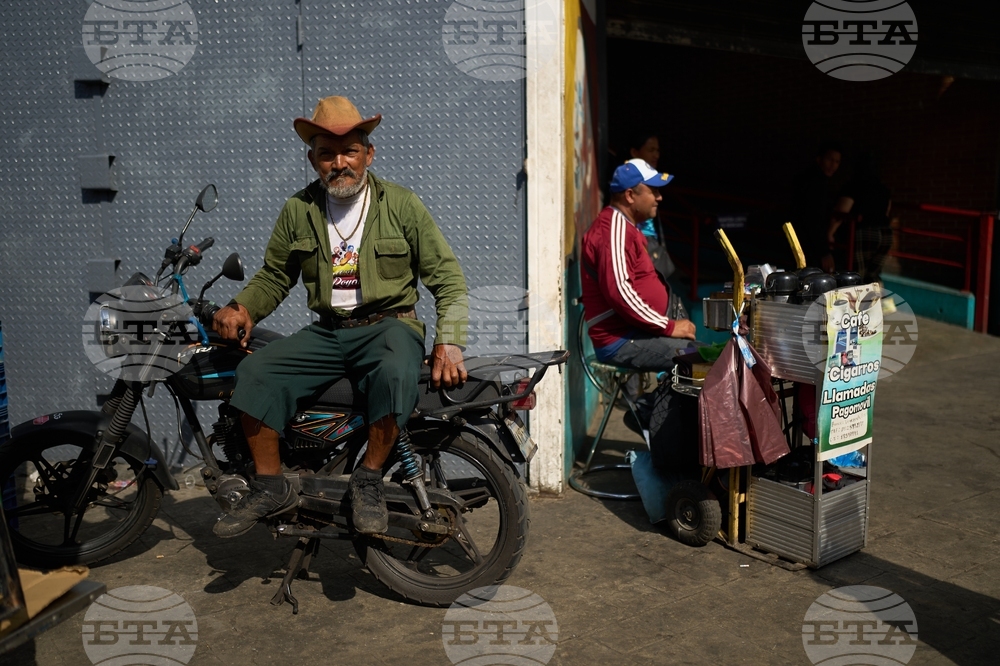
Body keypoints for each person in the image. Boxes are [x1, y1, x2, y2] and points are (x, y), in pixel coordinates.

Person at [211, 96, 469, 538]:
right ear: (313, 160)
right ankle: (270, 486)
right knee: (254, 371)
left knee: (392, 373)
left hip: (390, 326)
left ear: (369, 154)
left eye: (349, 150)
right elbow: (275, 276)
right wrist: (243, 306)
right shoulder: (299, 210)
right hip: (329, 333)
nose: (339, 163)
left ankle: (368, 480)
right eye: (327, 153)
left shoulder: (402, 205)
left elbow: (447, 276)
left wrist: (449, 339)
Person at [581, 159, 696, 374]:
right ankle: (648, 409)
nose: (659, 198)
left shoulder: (626, 227)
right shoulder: (613, 230)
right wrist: (669, 327)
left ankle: (652, 407)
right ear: (630, 195)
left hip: (636, 332)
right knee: (702, 363)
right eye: (653, 191)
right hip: (621, 340)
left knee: (707, 357)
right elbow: (621, 292)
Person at [829, 152, 893, 284]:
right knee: (873, 276)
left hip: (865, 232)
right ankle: (875, 302)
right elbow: (887, 213)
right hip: (885, 233)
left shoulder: (853, 186)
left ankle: (858, 303)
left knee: (857, 275)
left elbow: (842, 211)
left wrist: (830, 233)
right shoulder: (883, 189)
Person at [790, 141, 842, 272]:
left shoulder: (821, 182)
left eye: (837, 162)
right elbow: (812, 218)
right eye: (830, 159)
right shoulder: (815, 183)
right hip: (807, 244)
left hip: (807, 243)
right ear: (819, 159)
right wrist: (824, 251)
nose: (833, 165)